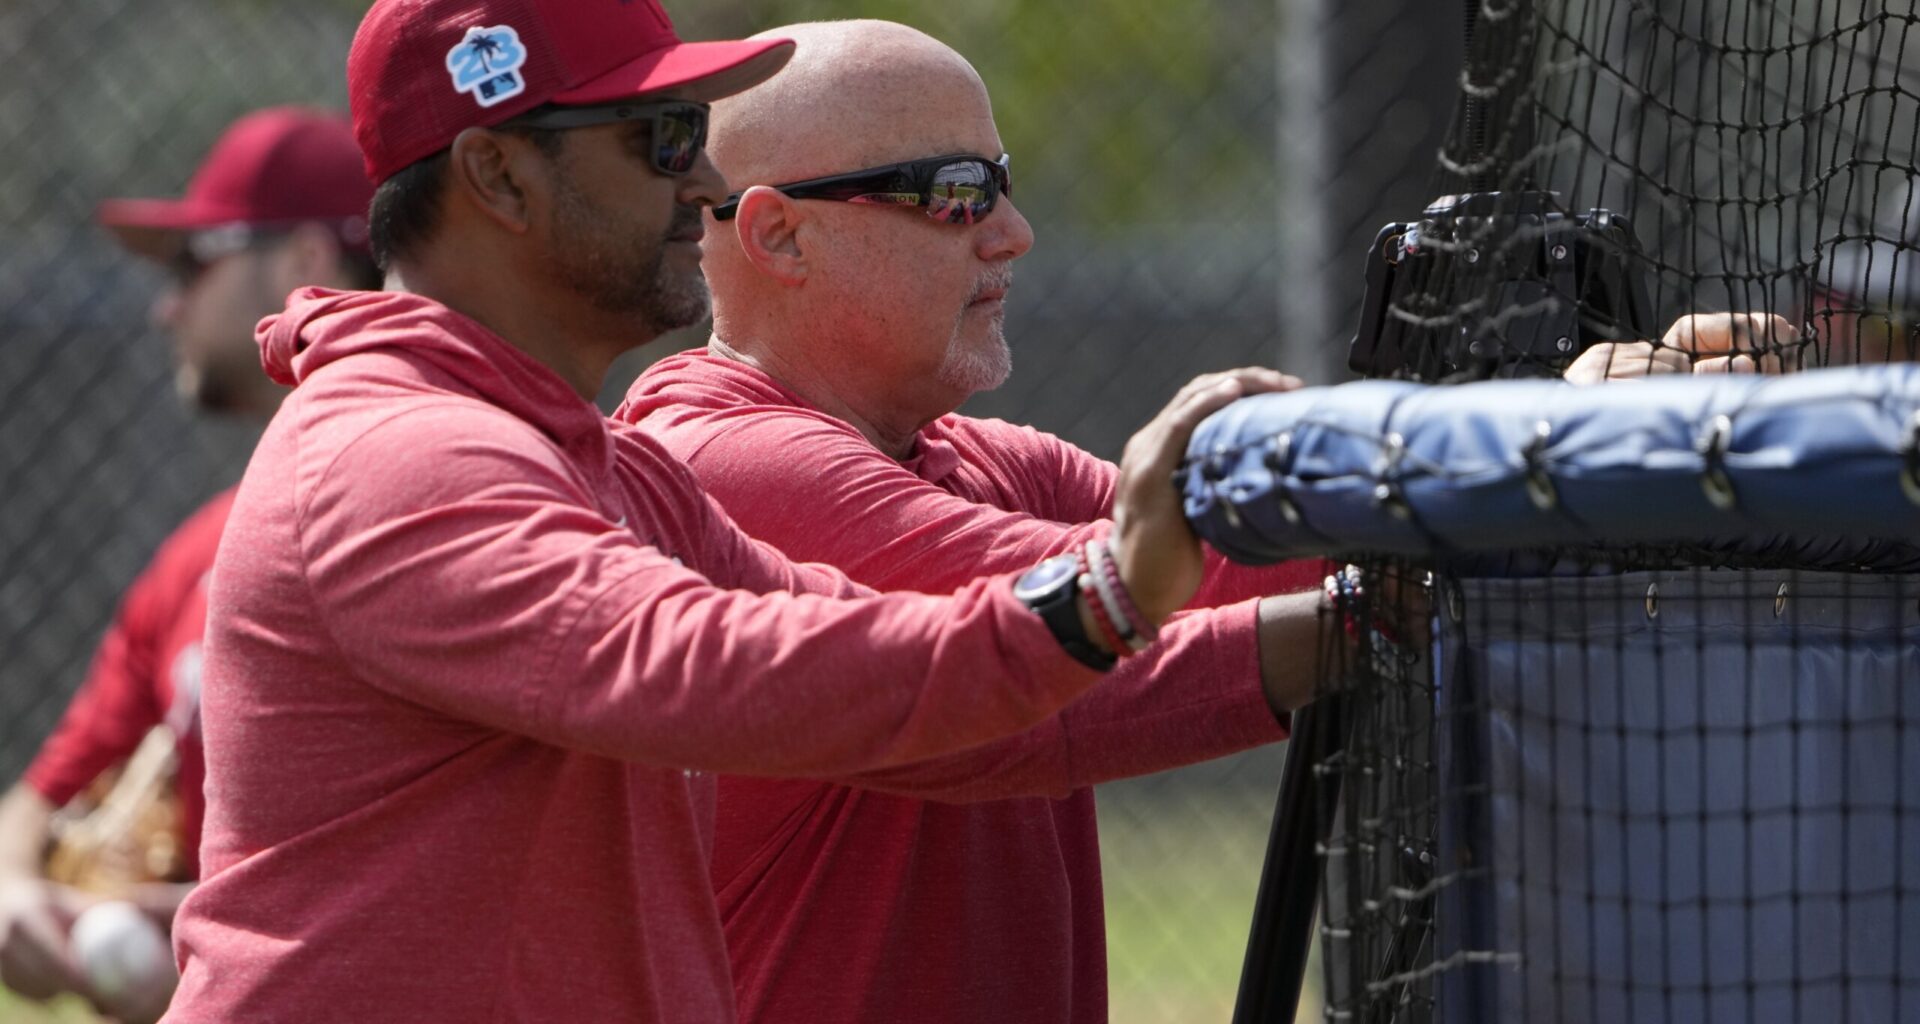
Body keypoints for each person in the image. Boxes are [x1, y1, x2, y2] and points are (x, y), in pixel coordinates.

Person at [162, 2, 1293, 1021]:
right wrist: (1111, 591)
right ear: (499, 178)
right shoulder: (399, 450)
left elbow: (846, 633)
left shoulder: (596, 462)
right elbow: (714, 662)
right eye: (661, 140)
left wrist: (1308, 614)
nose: (700, 187)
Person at [615, 21, 1339, 1024]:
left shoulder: (976, 456)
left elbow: (1259, 550)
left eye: (999, 180)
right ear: (778, 234)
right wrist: (1410, 583)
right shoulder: (723, 470)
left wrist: (1559, 424)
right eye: (954, 193)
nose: (1011, 230)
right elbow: (1147, 606)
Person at [0, 106, 376, 1023]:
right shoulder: (201, 552)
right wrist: (19, 891)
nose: (167, 305)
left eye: (192, 265)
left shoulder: (448, 519)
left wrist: (198, 934)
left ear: (301, 266)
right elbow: (42, 794)